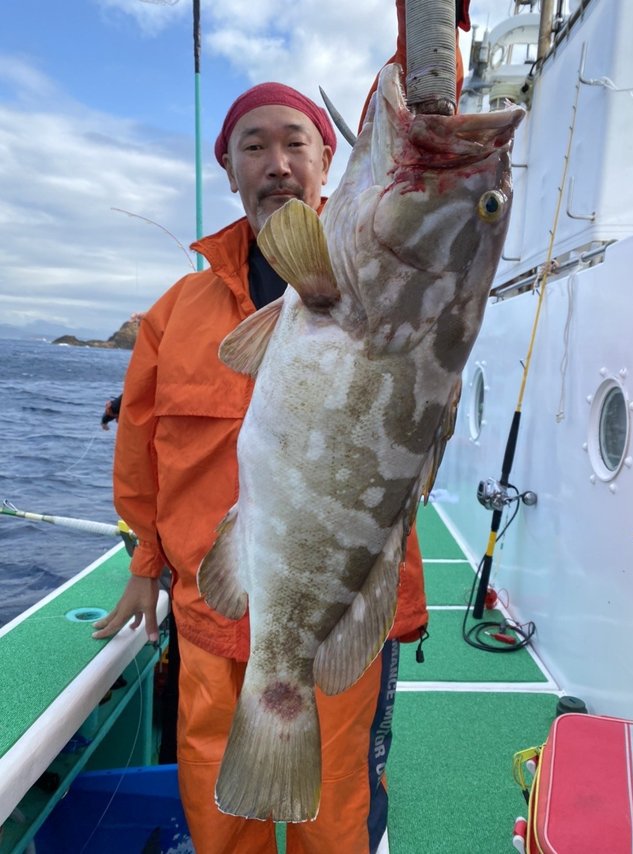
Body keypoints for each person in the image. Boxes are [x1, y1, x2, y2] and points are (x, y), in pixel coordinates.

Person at [92, 80, 427, 853]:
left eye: (294, 142)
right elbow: (141, 446)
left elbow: (415, 118)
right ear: (231, 168)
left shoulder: (382, 282)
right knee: (219, 811)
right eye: (254, 146)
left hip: (339, 611)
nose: (276, 163)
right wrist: (146, 562)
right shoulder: (175, 312)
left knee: (335, 813)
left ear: (328, 160)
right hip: (215, 613)